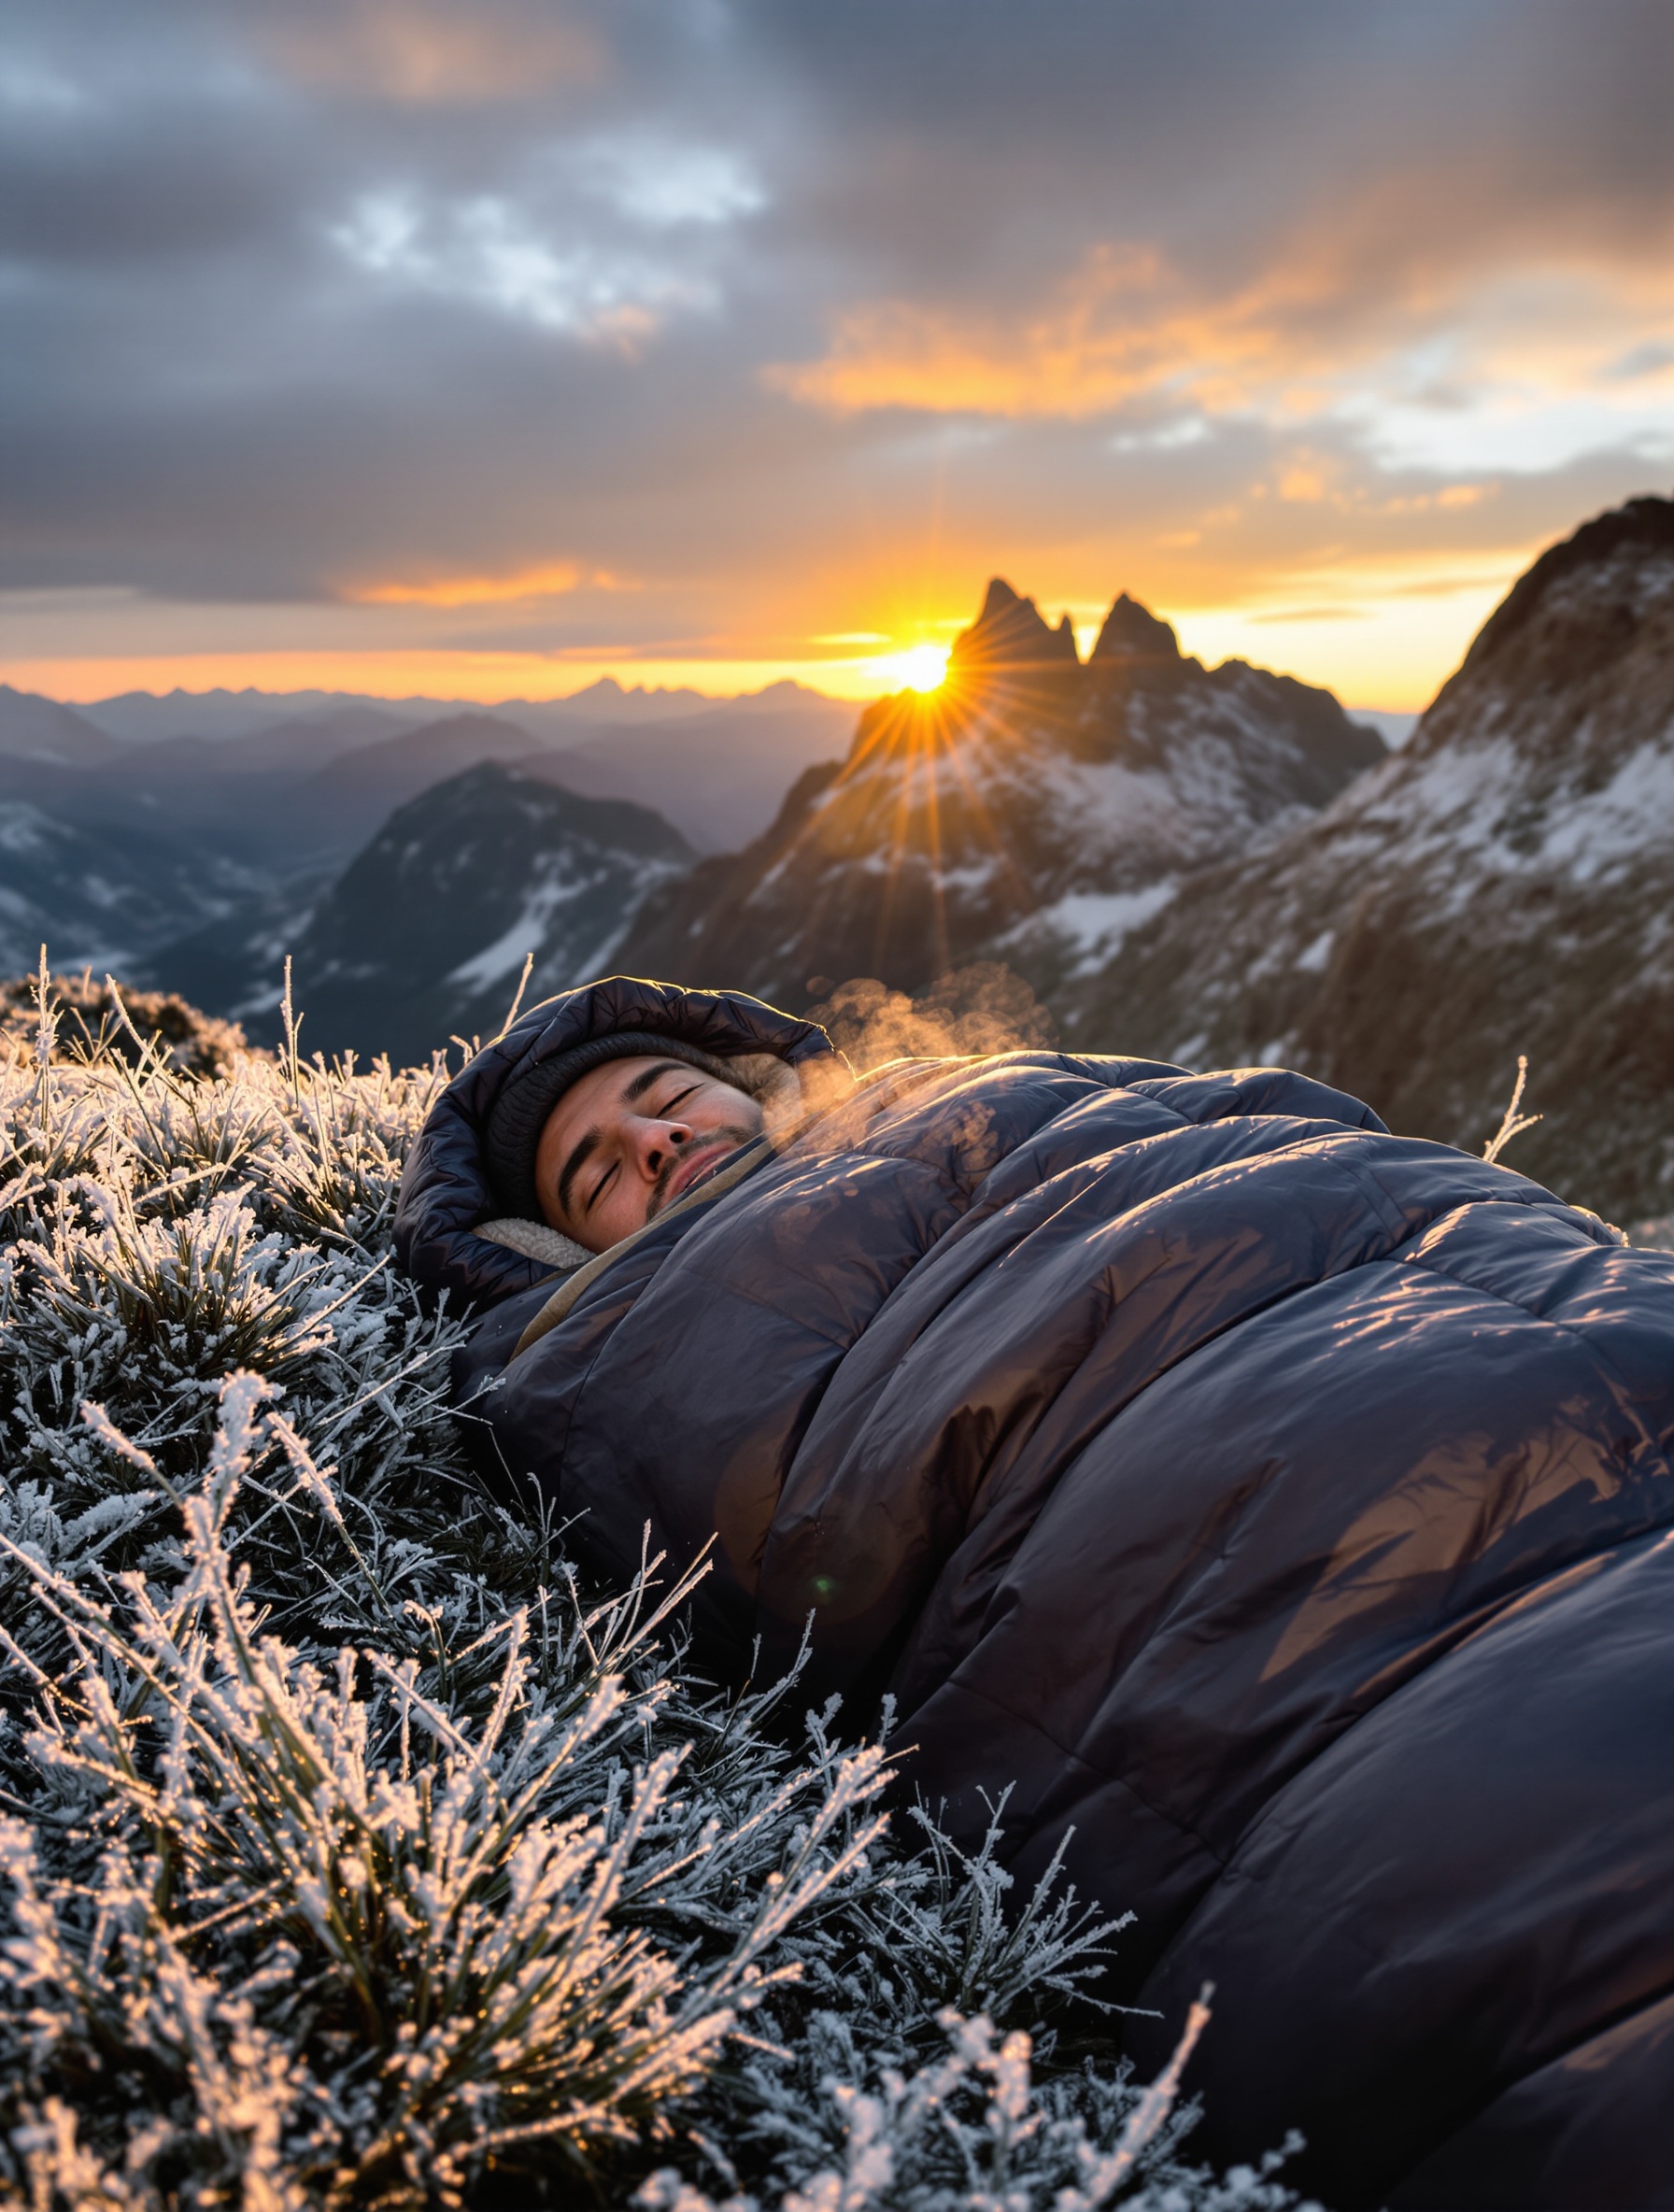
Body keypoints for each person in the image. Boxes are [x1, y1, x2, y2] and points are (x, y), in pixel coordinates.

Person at [395, 973, 1674, 2212]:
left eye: (665, 1096)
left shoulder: (970, 1097)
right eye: (598, 1171)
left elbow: (1287, 1129)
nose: (657, 1143)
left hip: (1457, 1315)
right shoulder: (614, 1354)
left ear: (748, 1081)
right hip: (1229, 1527)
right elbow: (757, 1538)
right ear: (558, 1253)